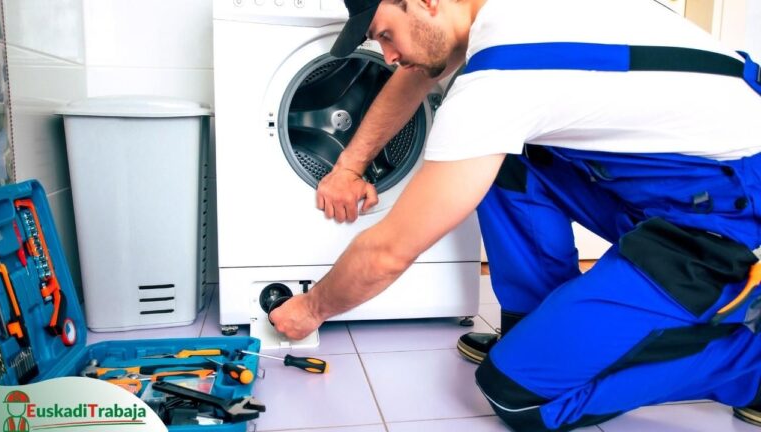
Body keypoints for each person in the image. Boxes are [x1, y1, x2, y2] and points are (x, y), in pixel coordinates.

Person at [269, 0, 761, 430]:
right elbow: (418, 70)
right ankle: (536, 327)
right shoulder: (504, 14)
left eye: (384, 36)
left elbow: (390, 252)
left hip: (724, 219)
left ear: (426, 1)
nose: (389, 56)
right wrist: (349, 165)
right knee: (505, 161)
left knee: (517, 393)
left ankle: (748, 365)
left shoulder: (502, 76)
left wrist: (310, 311)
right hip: (675, 182)